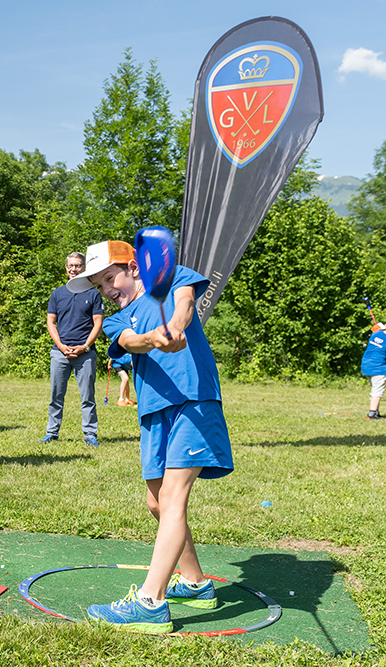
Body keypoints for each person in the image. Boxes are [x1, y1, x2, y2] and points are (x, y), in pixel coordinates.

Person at [67, 239, 233, 634]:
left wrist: (174, 328)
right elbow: (129, 342)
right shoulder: (114, 319)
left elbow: (186, 303)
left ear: (135, 268)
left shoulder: (170, 279)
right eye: (99, 286)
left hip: (193, 401)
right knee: (157, 503)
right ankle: (195, 583)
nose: (107, 290)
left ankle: (151, 602)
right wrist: (155, 338)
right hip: (154, 413)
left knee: (174, 499)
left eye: (110, 278)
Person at [42, 252, 103, 447]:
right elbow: (51, 322)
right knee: (56, 396)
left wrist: (84, 347)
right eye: (71, 266)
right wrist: (60, 346)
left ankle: (89, 434)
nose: (74, 269)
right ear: (66, 268)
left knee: (88, 396)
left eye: (77, 265)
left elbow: (98, 324)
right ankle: (52, 433)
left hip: (85, 354)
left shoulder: (93, 293)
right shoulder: (57, 293)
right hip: (59, 353)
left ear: (84, 268)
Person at [361, 322, 386, 419]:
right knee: (377, 391)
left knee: (375, 389)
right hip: (378, 368)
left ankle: (375, 411)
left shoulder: (375, 333)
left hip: (366, 366)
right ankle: (371, 413)